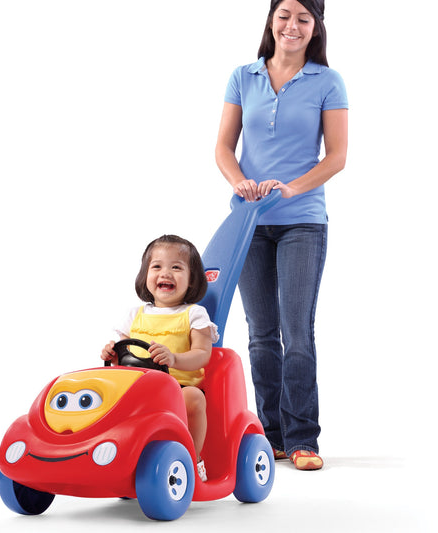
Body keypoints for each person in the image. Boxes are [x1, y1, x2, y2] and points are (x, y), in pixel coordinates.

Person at [215, 0, 348, 470]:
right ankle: (270, 435)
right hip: (249, 221)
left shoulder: (327, 82)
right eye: (285, 15)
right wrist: (240, 183)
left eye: (303, 18)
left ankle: (302, 438)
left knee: (297, 332)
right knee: (261, 334)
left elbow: (337, 156)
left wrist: (292, 188)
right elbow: (223, 147)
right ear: (272, 20)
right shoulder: (243, 76)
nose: (292, 25)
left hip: (303, 221)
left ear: (316, 27)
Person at [101, 235, 219, 481]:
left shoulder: (194, 314)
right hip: (138, 390)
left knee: (194, 398)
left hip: (178, 388)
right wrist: (111, 354)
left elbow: (202, 354)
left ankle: (193, 459)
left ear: (192, 279)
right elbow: (123, 356)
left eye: (176, 267)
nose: (165, 273)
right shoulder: (134, 314)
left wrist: (174, 359)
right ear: (145, 275)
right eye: (157, 266)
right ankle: (116, 458)